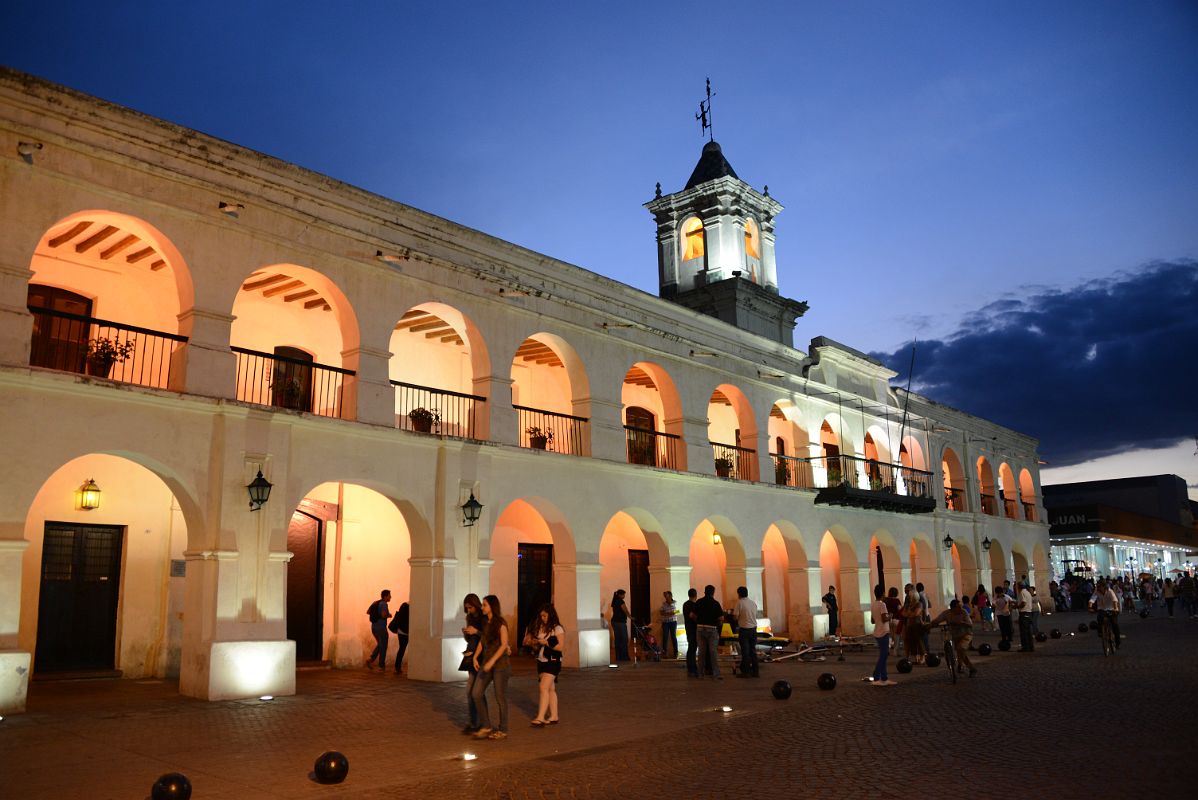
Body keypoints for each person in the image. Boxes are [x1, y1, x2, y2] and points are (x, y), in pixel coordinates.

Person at [471, 594, 511, 739]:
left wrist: (492, 661)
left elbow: (504, 645)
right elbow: (482, 641)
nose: (482, 607)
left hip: (500, 665)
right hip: (486, 662)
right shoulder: (485, 622)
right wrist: (476, 656)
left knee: (500, 698)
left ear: (492, 607)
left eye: (485, 605)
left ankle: (503, 729)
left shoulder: (501, 623)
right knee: (476, 693)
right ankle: (486, 725)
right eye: (482, 605)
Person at [524, 604, 564, 726]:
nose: (543, 618)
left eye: (545, 615)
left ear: (550, 615)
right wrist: (533, 642)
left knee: (543, 687)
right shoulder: (541, 627)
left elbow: (560, 646)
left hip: (553, 661)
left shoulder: (557, 628)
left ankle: (540, 717)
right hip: (541, 661)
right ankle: (554, 716)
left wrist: (546, 642)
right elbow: (534, 642)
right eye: (541, 616)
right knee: (550, 688)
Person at [928, 599, 977, 677]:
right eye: (958, 607)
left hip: (966, 634)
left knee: (960, 648)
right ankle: (960, 666)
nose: (960, 608)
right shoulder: (947, 613)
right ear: (952, 608)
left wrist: (962, 623)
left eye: (960, 607)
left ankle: (972, 668)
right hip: (955, 635)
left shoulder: (964, 612)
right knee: (959, 650)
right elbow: (938, 620)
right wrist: (931, 625)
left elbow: (970, 624)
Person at [460, 593, 484, 734]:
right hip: (471, 654)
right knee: (471, 691)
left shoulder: (483, 617)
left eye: (470, 607)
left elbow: (487, 636)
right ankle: (474, 721)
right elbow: (470, 640)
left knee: (475, 692)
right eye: (466, 608)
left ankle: (480, 722)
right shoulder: (469, 617)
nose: (468, 610)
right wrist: (466, 633)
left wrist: (476, 631)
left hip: (481, 656)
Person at [694, 584, 724, 680]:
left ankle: (700, 674)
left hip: (700, 629)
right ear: (713, 593)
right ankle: (716, 674)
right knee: (713, 651)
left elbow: (692, 615)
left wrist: (698, 621)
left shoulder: (699, 602)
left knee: (701, 652)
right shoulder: (715, 603)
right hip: (712, 629)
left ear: (704, 592)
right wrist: (717, 624)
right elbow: (721, 618)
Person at [869, 585, 894, 685]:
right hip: (883, 631)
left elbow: (872, 620)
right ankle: (876, 677)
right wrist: (890, 616)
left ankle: (884, 678)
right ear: (883, 593)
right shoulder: (882, 604)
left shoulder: (873, 604)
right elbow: (884, 619)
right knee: (884, 655)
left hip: (877, 631)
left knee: (883, 654)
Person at [733, 586, 759, 678]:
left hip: (744, 630)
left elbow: (735, 617)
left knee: (745, 651)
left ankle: (746, 672)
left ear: (739, 594)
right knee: (753, 651)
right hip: (753, 629)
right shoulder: (753, 603)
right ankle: (756, 672)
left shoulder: (739, 603)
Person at [1088, 578, 1121, 650]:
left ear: (1104, 586)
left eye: (1099, 586)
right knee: (1099, 618)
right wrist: (1090, 607)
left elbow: (1114, 600)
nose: (1098, 588)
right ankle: (1101, 632)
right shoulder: (1097, 591)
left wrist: (1115, 609)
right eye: (1097, 586)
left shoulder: (1110, 591)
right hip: (1102, 609)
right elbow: (1092, 599)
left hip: (1112, 609)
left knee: (1115, 624)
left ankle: (1118, 642)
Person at [365, 589, 392, 671]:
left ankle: (370, 660)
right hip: (381, 628)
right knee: (383, 646)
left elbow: (368, 611)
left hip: (374, 628)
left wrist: (376, 615)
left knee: (380, 644)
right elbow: (384, 615)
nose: (390, 597)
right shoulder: (384, 604)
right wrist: (389, 615)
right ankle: (381, 666)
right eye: (389, 595)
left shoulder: (375, 602)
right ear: (385, 596)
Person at [902, 587, 926, 664]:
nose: (909, 597)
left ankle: (922, 656)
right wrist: (910, 614)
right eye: (909, 596)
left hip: (917, 624)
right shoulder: (908, 605)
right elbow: (903, 613)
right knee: (911, 641)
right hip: (909, 624)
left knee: (919, 640)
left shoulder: (919, 604)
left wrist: (909, 614)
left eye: (910, 596)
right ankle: (916, 657)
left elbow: (916, 613)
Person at [388, 600, 410, 674]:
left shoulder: (404, 605)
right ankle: (397, 667)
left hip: (401, 631)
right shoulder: (408, 607)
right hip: (405, 631)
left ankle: (397, 667)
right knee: (402, 649)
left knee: (401, 649)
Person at [682, 588, 699, 677]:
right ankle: (692, 668)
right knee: (693, 648)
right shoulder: (694, 605)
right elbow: (692, 616)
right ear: (696, 595)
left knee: (691, 647)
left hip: (688, 628)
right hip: (694, 629)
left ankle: (691, 667)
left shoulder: (685, 604)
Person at [610, 589, 630, 661]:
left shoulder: (614, 601)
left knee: (618, 639)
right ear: (620, 595)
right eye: (623, 594)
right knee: (624, 639)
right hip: (620, 622)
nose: (624, 596)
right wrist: (631, 617)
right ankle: (624, 657)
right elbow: (625, 610)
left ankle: (618, 657)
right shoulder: (621, 601)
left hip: (614, 622)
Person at [1015, 580, 1035, 652]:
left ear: (1019, 586)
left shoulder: (1022, 593)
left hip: (1024, 613)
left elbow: (1023, 602)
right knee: (1028, 631)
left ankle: (1025, 647)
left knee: (1024, 632)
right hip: (1029, 613)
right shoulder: (1027, 592)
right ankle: (1031, 646)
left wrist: (1017, 606)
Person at [659, 591, 679, 659]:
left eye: (666, 595)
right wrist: (670, 613)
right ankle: (665, 653)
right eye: (664, 596)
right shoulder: (664, 604)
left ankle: (676, 653)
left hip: (673, 622)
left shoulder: (675, 603)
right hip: (665, 623)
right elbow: (661, 612)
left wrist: (667, 613)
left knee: (673, 637)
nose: (665, 597)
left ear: (670, 596)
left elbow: (677, 611)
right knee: (665, 637)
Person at [884, 586, 903, 654]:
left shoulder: (885, 600)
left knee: (888, 636)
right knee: (896, 636)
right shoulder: (897, 600)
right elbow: (900, 609)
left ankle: (887, 650)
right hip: (896, 620)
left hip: (887, 620)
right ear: (896, 593)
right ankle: (895, 650)